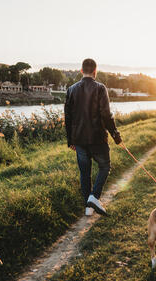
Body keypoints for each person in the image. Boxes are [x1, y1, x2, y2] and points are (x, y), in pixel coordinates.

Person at [64, 58, 122, 216]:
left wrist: (70, 140)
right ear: (95, 71)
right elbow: (106, 115)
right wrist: (115, 134)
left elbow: (67, 118)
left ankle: (88, 207)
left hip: (79, 140)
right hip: (97, 138)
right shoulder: (100, 88)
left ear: (81, 71)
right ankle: (94, 197)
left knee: (85, 173)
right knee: (104, 167)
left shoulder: (71, 90)